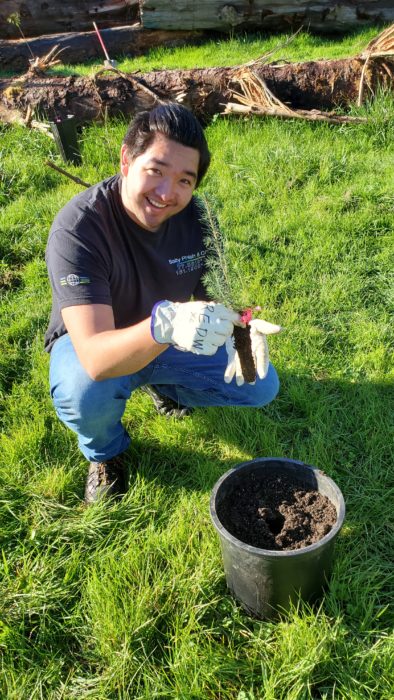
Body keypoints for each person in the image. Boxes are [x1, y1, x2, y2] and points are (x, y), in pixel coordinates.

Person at [45, 102, 280, 504]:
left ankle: (163, 385)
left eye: (185, 181)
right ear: (126, 160)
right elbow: (97, 357)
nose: (167, 194)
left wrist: (244, 326)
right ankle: (107, 454)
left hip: (174, 333)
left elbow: (216, 295)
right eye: (156, 171)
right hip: (99, 343)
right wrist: (162, 325)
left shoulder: (199, 218)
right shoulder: (78, 228)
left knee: (260, 385)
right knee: (84, 390)